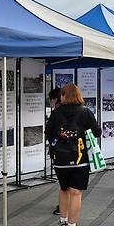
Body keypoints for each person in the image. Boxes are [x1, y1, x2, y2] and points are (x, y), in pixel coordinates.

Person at [46, 83, 101, 226]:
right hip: (80, 159)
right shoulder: (85, 112)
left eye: (62, 94)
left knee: (63, 189)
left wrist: (59, 138)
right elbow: (97, 132)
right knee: (76, 192)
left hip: (60, 159)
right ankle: (72, 225)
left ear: (64, 96)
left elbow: (48, 132)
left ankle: (63, 221)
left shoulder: (56, 113)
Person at [48, 87, 62, 215]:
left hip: (59, 151)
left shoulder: (56, 113)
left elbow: (49, 132)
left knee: (63, 182)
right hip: (77, 153)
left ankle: (63, 206)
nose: (50, 103)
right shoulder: (79, 111)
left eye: (50, 99)